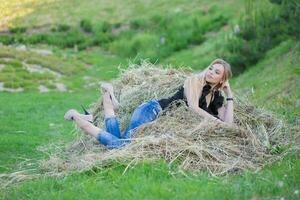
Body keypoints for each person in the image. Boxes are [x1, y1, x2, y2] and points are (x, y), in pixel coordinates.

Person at [64, 58, 234, 149]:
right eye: (211, 68)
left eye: (216, 72)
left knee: (119, 141)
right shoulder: (194, 81)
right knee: (124, 147)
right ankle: (84, 123)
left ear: (222, 80)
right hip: (151, 110)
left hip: (156, 117)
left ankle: (108, 100)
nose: (211, 72)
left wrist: (229, 95)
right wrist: (217, 122)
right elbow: (193, 107)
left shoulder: (216, 97)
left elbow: (228, 123)